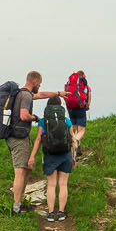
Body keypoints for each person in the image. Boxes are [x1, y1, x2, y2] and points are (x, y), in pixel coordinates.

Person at [7, 72, 43, 214]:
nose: (40, 85)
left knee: (26, 170)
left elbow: (41, 95)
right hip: (18, 137)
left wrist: (58, 93)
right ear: (34, 81)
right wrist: (35, 117)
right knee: (20, 171)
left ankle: (20, 203)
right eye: (39, 83)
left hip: (15, 136)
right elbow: (23, 115)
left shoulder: (21, 93)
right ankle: (16, 207)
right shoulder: (27, 95)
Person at [36, 94, 74, 223]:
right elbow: (72, 140)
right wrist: (73, 157)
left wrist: (31, 156)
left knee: (51, 185)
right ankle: (62, 212)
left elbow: (38, 139)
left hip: (50, 155)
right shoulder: (66, 120)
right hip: (66, 154)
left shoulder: (43, 121)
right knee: (63, 184)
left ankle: (51, 213)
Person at [63, 70, 91, 161]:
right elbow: (88, 94)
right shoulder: (84, 84)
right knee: (81, 130)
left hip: (71, 108)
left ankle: (76, 151)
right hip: (80, 107)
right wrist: (88, 105)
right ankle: (74, 141)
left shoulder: (68, 85)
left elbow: (65, 95)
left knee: (76, 129)